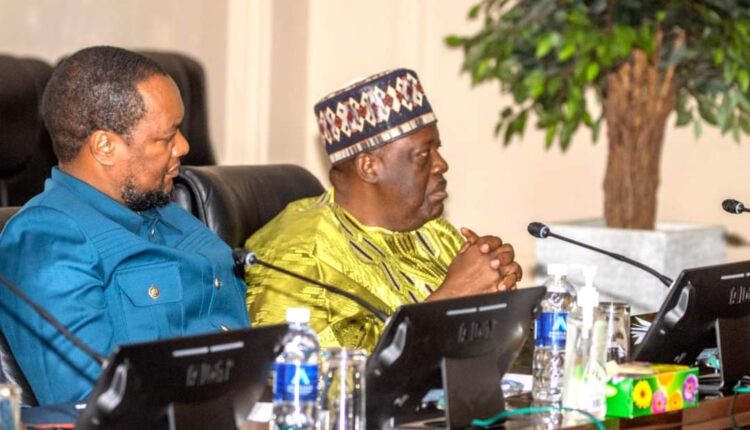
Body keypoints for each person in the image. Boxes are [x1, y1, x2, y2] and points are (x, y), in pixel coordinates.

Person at [0, 46, 249, 405]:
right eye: (166, 137)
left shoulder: (169, 211)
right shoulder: (45, 238)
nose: (183, 146)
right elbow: (92, 400)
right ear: (105, 146)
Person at [245, 69, 522, 352]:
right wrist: (453, 296)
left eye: (437, 150)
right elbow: (302, 369)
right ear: (369, 166)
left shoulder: (433, 230)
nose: (441, 164)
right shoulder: (296, 256)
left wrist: (496, 297)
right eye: (423, 154)